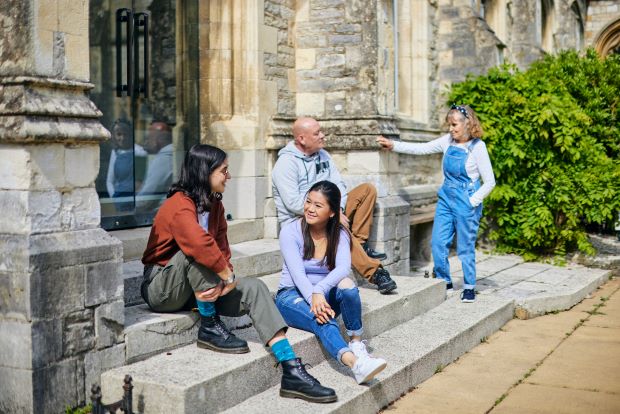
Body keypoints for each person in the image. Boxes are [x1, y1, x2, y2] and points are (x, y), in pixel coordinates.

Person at [140, 144, 337, 403]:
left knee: (254, 287)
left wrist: (226, 277)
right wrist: (225, 276)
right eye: (223, 170)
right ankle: (209, 326)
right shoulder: (178, 205)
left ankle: (291, 369)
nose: (228, 176)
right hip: (162, 287)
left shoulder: (215, 206)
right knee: (195, 250)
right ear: (204, 172)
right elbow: (200, 245)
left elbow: (222, 250)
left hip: (197, 287)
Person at [377, 104, 496, 303]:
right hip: (446, 200)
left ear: (468, 123)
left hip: (467, 201)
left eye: (454, 124)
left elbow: (490, 182)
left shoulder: (478, 147)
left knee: (465, 247)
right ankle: (444, 281)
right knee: (438, 243)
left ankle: (469, 286)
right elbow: (422, 148)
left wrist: (471, 201)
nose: (451, 129)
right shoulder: (447, 141)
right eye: (449, 125)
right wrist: (393, 145)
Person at [276, 180, 388, 384]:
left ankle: (356, 343)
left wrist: (319, 291)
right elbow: (298, 275)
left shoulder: (340, 233)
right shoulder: (290, 231)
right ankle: (356, 365)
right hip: (291, 296)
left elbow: (343, 268)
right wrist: (314, 297)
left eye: (318, 206)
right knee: (323, 318)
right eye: (308, 201)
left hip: (321, 294)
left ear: (332, 212)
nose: (309, 208)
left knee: (348, 286)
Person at [272, 117, 398, 294]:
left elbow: (339, 185)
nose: (323, 135)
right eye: (317, 133)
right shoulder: (286, 164)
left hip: (327, 208)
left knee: (367, 190)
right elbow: (293, 203)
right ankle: (376, 273)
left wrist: (337, 209)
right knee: (340, 230)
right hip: (303, 218)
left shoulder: (323, 155)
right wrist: (332, 214)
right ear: (301, 139)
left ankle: (360, 243)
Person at [105, 119, 147, 206]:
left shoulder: (139, 152)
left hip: (134, 200)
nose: (122, 138)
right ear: (114, 136)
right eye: (119, 135)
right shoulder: (115, 152)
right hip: (119, 201)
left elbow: (141, 183)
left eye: (125, 134)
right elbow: (109, 181)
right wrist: (114, 198)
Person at [137, 121, 174, 212]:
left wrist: (131, 207)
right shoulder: (171, 154)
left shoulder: (164, 159)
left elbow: (145, 199)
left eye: (149, 137)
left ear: (158, 139)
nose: (146, 141)